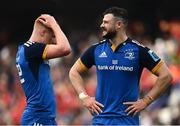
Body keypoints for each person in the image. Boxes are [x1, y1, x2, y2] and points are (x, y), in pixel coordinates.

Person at [69, 7, 172, 125]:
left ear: (119, 24)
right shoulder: (96, 50)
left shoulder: (139, 51)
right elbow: (73, 72)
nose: (102, 25)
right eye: (102, 22)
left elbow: (166, 75)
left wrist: (146, 101)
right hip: (100, 120)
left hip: (127, 121)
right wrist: (84, 97)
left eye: (106, 22)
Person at [16, 14, 71, 125]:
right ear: (43, 32)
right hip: (37, 117)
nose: (54, 42)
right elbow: (65, 48)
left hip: (44, 117)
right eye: (52, 36)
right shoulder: (31, 49)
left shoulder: (27, 50)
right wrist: (54, 23)